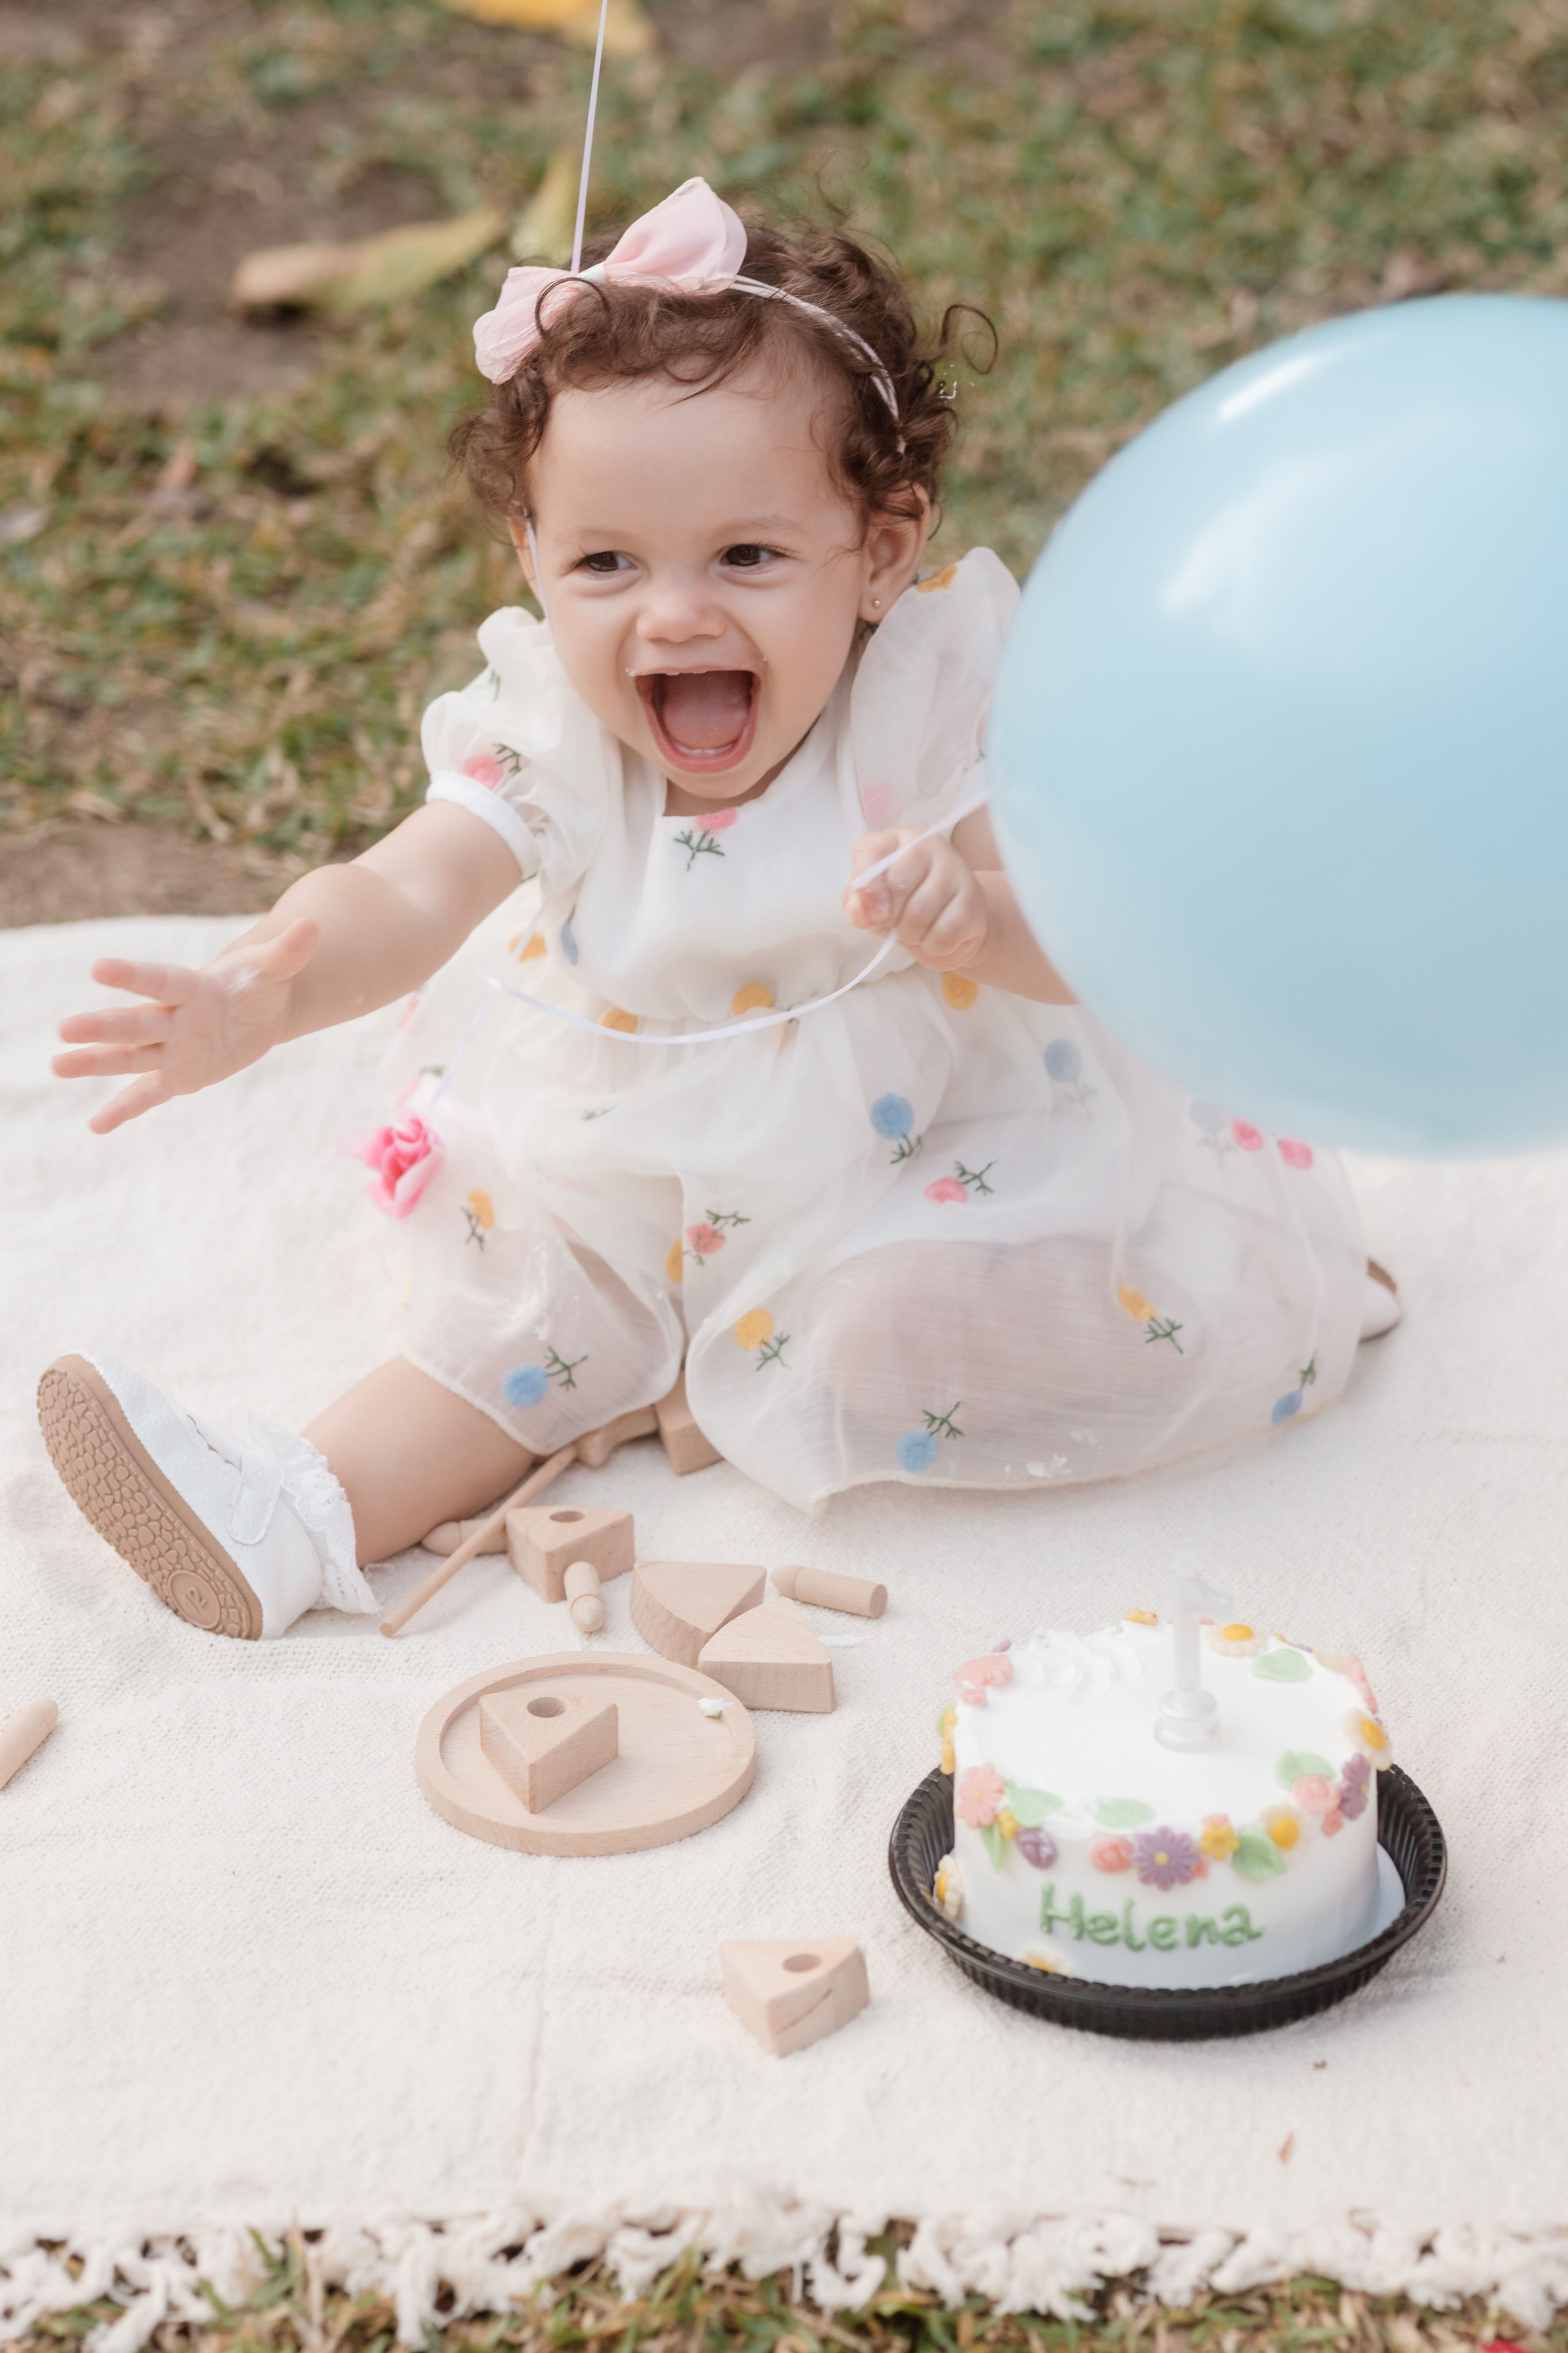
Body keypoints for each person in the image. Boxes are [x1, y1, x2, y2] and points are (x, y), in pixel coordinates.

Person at [39, 179, 1398, 1642]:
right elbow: (405, 882)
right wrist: (267, 991)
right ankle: (300, 1518)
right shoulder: (557, 730)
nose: (673, 614)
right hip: (623, 1143)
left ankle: (1256, 1289)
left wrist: (973, 916)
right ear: (528, 558)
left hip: (926, 1143)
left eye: (746, 556)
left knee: (882, 1344)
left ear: (880, 550)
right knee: (516, 1314)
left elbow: (1098, 947)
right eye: (605, 562)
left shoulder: (921, 711)